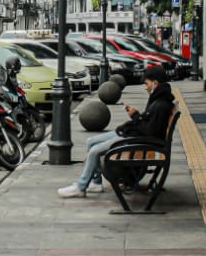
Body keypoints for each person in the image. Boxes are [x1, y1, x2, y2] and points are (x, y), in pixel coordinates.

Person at [58, 66, 174, 198]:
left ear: (155, 83)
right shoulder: (158, 99)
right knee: (91, 141)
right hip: (134, 135)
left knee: (95, 151)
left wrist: (136, 116)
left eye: (146, 84)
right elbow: (149, 124)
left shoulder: (161, 104)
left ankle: (81, 187)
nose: (146, 87)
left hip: (138, 140)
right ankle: (96, 183)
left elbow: (150, 132)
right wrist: (136, 116)